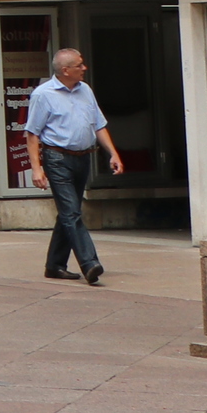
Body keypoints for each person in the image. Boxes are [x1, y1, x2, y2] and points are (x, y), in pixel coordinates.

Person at [28, 47, 124, 285]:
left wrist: (112, 153)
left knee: (67, 213)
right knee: (71, 212)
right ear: (65, 70)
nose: (84, 68)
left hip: (83, 158)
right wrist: (37, 169)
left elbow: (98, 125)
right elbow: (32, 134)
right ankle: (90, 263)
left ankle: (54, 265)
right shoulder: (44, 94)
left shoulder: (85, 90)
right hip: (57, 159)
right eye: (79, 65)